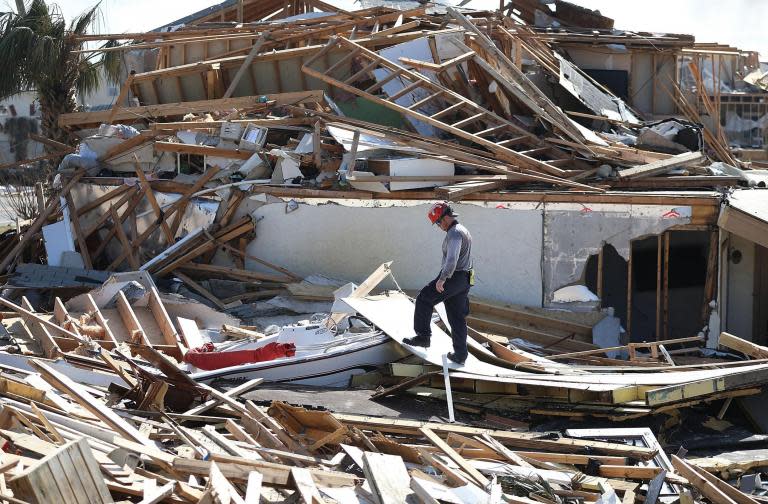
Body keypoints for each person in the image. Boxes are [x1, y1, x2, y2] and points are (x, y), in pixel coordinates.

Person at [404, 202, 473, 364]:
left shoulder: (454, 233)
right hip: (466, 278)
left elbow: (452, 260)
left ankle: (423, 337)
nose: (439, 226)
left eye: (438, 222)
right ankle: (460, 355)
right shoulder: (463, 229)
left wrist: (443, 278)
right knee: (456, 318)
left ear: (446, 217)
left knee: (424, 298)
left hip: (453, 276)